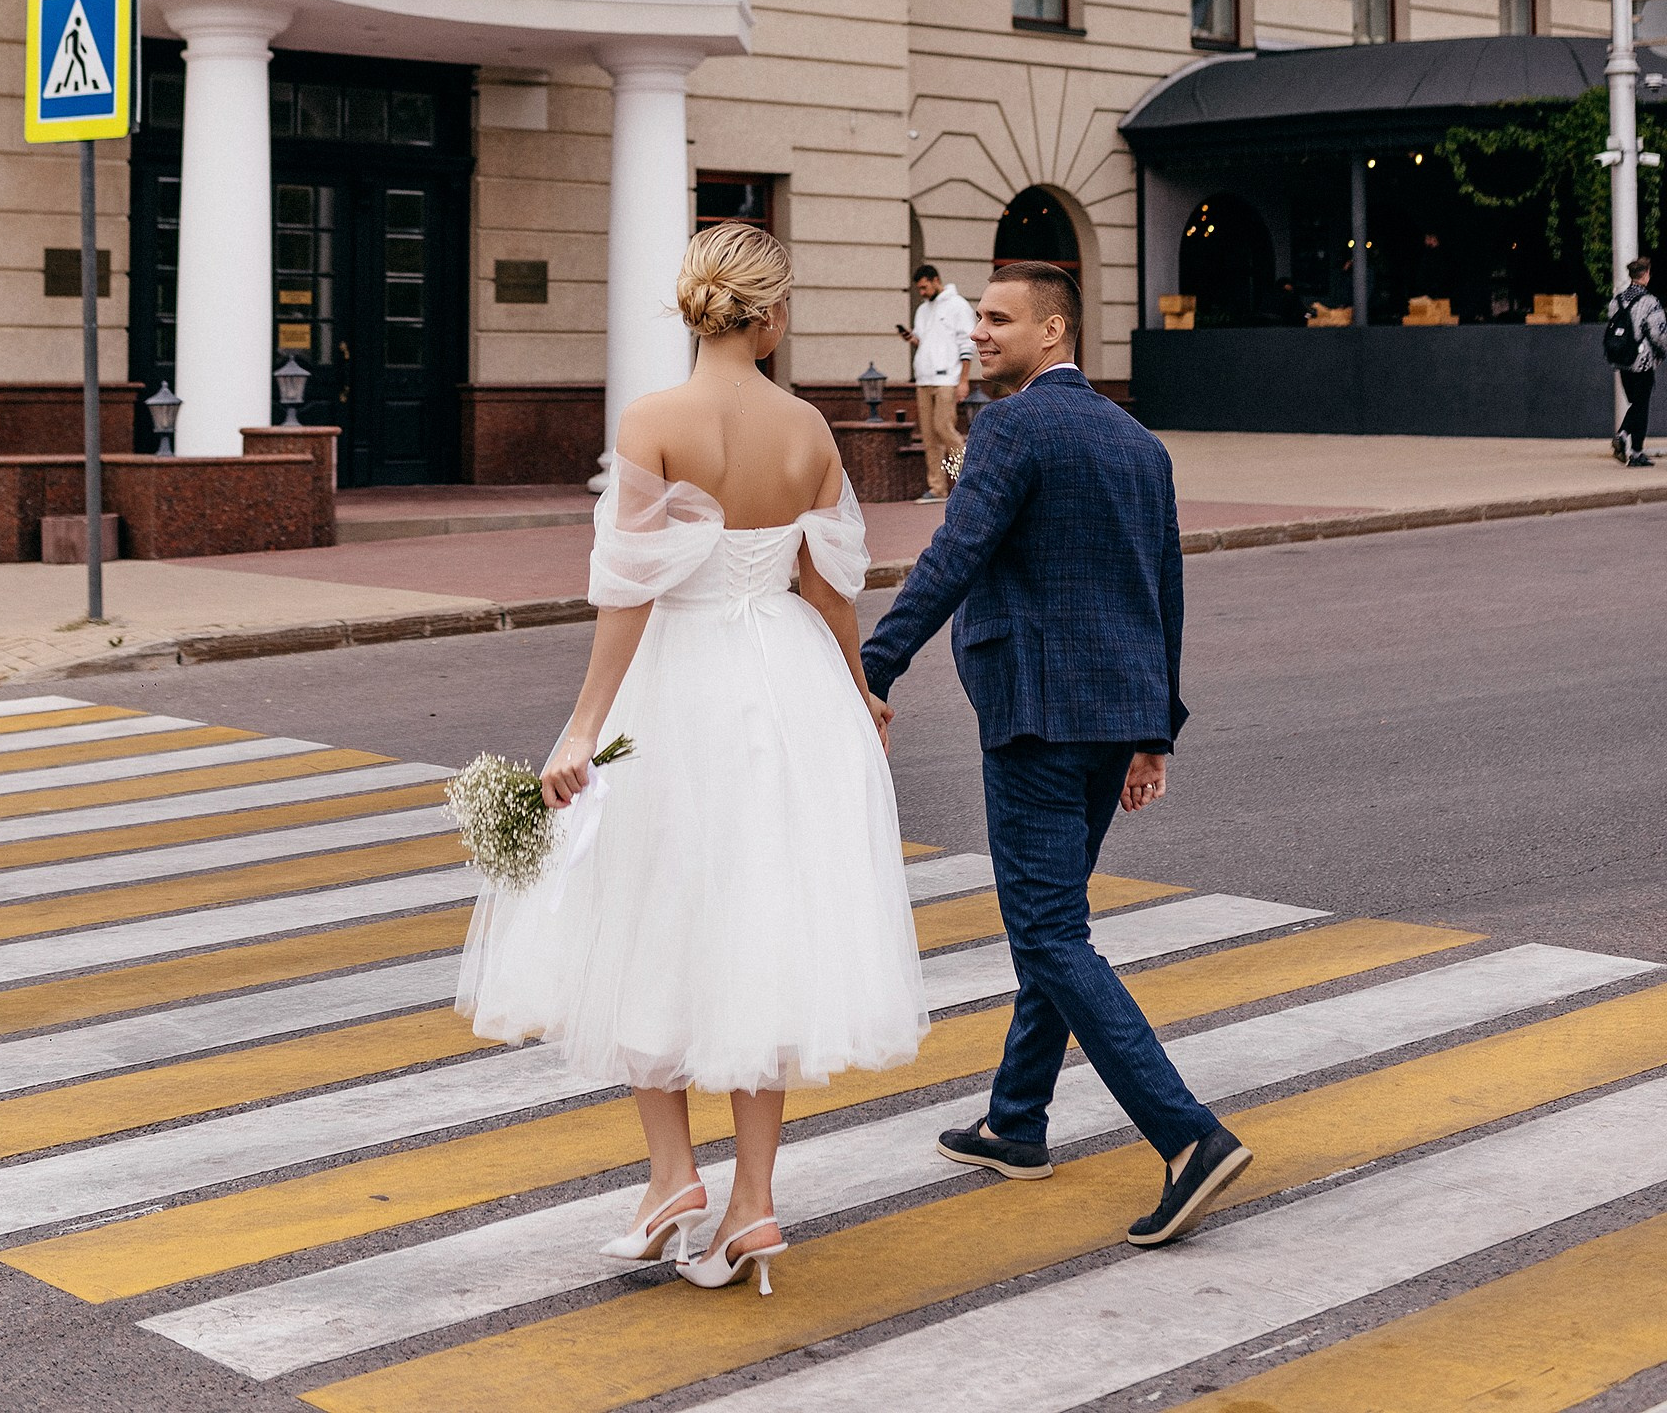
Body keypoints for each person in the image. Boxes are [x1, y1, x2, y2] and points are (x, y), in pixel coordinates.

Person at [458, 221, 928, 1294]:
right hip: (790, 686)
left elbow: (628, 588)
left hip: (680, 684)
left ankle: (673, 1176)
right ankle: (752, 1204)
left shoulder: (654, 419)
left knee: (651, 916)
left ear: (690, 306)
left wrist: (581, 728)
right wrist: (856, 691)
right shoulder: (808, 428)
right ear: (770, 313)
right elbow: (830, 586)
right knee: (760, 927)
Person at [860, 259, 1253, 1251]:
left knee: (1044, 934)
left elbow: (954, 555)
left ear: (1051, 332)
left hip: (1034, 713)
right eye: (977, 318)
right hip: (1109, 713)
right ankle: (1015, 1121)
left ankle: (1185, 1137)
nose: (977, 333)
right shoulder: (1135, 441)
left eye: (996, 320)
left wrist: (874, 663)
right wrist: (1151, 728)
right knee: (1056, 923)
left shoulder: (1011, 428)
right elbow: (1162, 592)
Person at [902, 261, 978, 499]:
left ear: (936, 280)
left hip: (948, 379)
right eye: (919, 289)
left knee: (944, 429)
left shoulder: (958, 306)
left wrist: (964, 381)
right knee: (929, 436)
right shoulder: (923, 310)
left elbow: (967, 344)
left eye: (924, 287)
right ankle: (937, 488)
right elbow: (925, 340)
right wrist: (911, 339)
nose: (922, 293)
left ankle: (966, 482)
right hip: (924, 379)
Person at [1606, 254, 1666, 467]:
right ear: (1646, 276)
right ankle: (1631, 446)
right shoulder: (1650, 302)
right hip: (1642, 362)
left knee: (1636, 404)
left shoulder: (1617, 300)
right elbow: (1659, 334)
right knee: (1641, 405)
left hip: (1622, 361)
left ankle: (1630, 444)